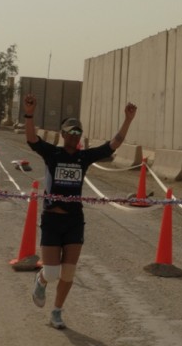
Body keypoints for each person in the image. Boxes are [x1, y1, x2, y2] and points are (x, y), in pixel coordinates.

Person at [23, 94, 137, 330]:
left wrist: (128, 120)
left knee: (69, 272)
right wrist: (29, 114)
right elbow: (32, 139)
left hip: (74, 220)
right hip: (52, 219)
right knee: (53, 272)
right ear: (63, 134)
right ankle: (41, 280)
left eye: (78, 133)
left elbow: (113, 144)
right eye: (70, 132)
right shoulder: (52, 154)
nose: (74, 136)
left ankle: (57, 312)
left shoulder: (84, 158)